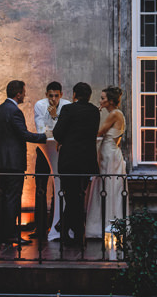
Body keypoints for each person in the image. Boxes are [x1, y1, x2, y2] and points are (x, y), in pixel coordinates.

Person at [0, 80, 47, 251]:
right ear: (18, 94)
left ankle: (0, 233)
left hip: (1, 161)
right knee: (12, 198)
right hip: (13, 162)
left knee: (2, 197)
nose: (24, 95)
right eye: (23, 92)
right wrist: (44, 137)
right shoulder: (15, 111)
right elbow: (23, 134)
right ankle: (11, 234)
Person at [52, 82, 100, 247]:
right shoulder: (95, 111)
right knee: (78, 196)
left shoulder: (68, 110)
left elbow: (57, 132)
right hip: (87, 159)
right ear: (89, 96)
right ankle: (73, 231)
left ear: (74, 95)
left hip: (70, 160)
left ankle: (69, 230)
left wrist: (64, 139)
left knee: (71, 196)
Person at [85, 86, 127, 239]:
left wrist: (94, 114)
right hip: (109, 153)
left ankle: (109, 222)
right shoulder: (115, 114)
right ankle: (106, 222)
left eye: (103, 98)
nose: (100, 100)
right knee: (107, 187)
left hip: (109, 155)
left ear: (110, 101)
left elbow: (98, 131)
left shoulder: (114, 114)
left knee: (108, 187)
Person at [32, 81, 70, 239]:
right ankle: (40, 227)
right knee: (40, 185)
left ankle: (59, 224)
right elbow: (41, 130)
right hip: (44, 148)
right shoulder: (39, 105)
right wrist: (55, 126)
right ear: (46, 95)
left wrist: (55, 117)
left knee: (60, 185)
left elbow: (65, 130)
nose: (53, 99)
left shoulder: (67, 106)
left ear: (61, 95)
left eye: (56, 95)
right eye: (50, 96)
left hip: (62, 149)